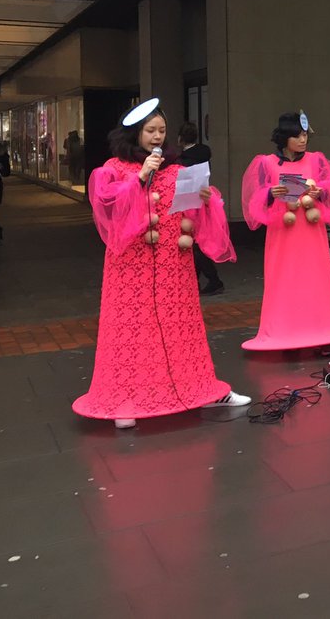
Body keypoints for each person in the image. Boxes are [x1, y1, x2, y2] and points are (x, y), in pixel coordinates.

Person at [72, 99, 249, 429]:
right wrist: (139, 178)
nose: (157, 137)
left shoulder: (177, 169)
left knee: (183, 331)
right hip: (131, 269)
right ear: (135, 134)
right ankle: (125, 400)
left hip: (173, 266)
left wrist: (208, 200)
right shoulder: (112, 170)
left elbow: (194, 213)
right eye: (150, 131)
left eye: (162, 131)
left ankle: (205, 389)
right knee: (133, 335)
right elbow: (107, 209)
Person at [241, 111, 330, 351]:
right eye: (297, 136)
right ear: (284, 138)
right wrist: (271, 193)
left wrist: (320, 191)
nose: (303, 140)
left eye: (304, 135)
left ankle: (323, 329)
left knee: (316, 276)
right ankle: (285, 330)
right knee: (284, 278)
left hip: (310, 228)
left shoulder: (316, 160)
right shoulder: (266, 162)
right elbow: (255, 198)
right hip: (284, 231)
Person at [177, 121, 224, 295]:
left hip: (189, 204)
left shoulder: (183, 160)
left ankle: (212, 280)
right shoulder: (204, 154)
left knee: (195, 244)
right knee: (198, 242)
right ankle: (199, 281)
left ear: (181, 138)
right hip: (205, 201)